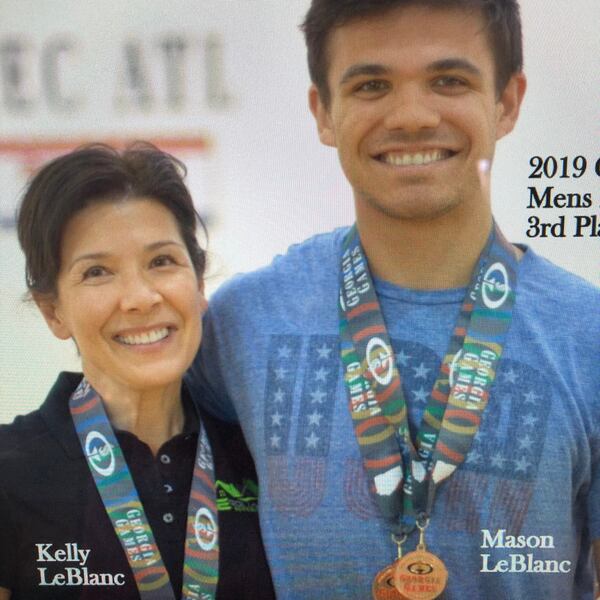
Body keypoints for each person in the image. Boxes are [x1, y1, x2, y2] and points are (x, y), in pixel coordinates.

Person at [187, 1, 600, 599]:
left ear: (507, 102)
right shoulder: (242, 323)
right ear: (323, 113)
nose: (410, 116)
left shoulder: (589, 337)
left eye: (448, 80)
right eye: (372, 85)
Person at [0, 144, 275, 600]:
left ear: (199, 282)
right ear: (53, 311)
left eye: (161, 261)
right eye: (97, 272)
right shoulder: (10, 473)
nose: (141, 298)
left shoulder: (264, 458)